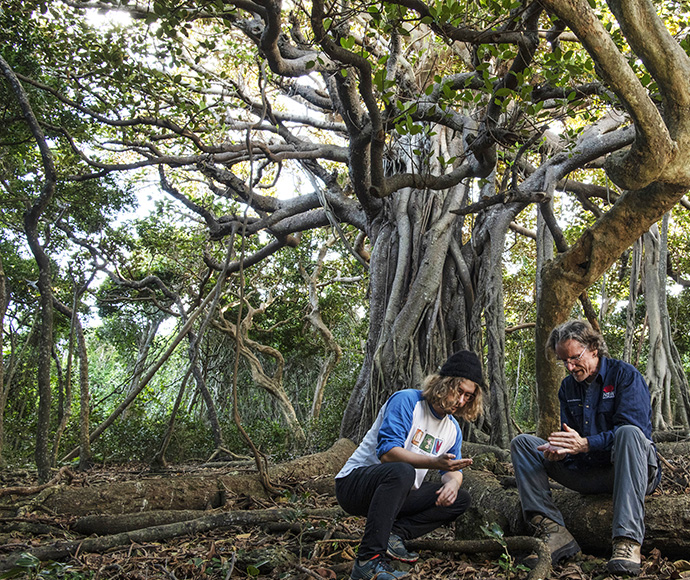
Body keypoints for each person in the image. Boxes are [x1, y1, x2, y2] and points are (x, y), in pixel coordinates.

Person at [511, 320, 660, 575]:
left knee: (628, 432)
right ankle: (553, 531)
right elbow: (572, 439)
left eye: (574, 358)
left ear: (593, 348)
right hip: (589, 474)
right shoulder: (568, 387)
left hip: (630, 472)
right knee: (523, 444)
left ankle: (627, 541)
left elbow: (636, 435)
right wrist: (561, 453)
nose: (569, 367)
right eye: (563, 361)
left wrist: (586, 444)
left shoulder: (625, 376)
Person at [335, 350, 484, 580]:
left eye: (469, 396)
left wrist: (453, 484)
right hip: (355, 485)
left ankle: (394, 534)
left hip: (397, 494)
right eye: (459, 391)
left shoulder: (452, 429)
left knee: (461, 498)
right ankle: (367, 561)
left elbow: (452, 470)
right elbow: (387, 453)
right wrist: (434, 462)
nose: (462, 401)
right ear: (444, 384)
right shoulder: (407, 401)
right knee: (402, 471)